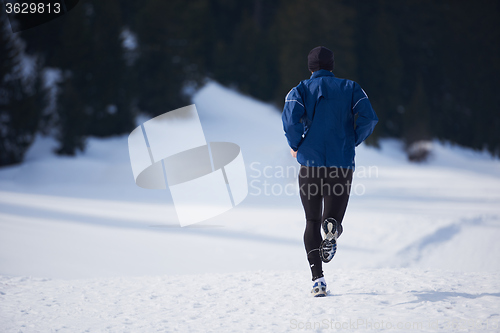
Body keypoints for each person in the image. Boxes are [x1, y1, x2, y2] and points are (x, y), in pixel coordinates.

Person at [282, 46, 378, 297]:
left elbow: (291, 120)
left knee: (311, 221)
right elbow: (369, 118)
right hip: (341, 165)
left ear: (310, 67)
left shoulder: (299, 90)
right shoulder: (352, 88)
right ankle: (333, 225)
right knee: (330, 219)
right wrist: (351, 140)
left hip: (310, 166)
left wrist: (296, 145)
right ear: (332, 65)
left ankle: (318, 280)